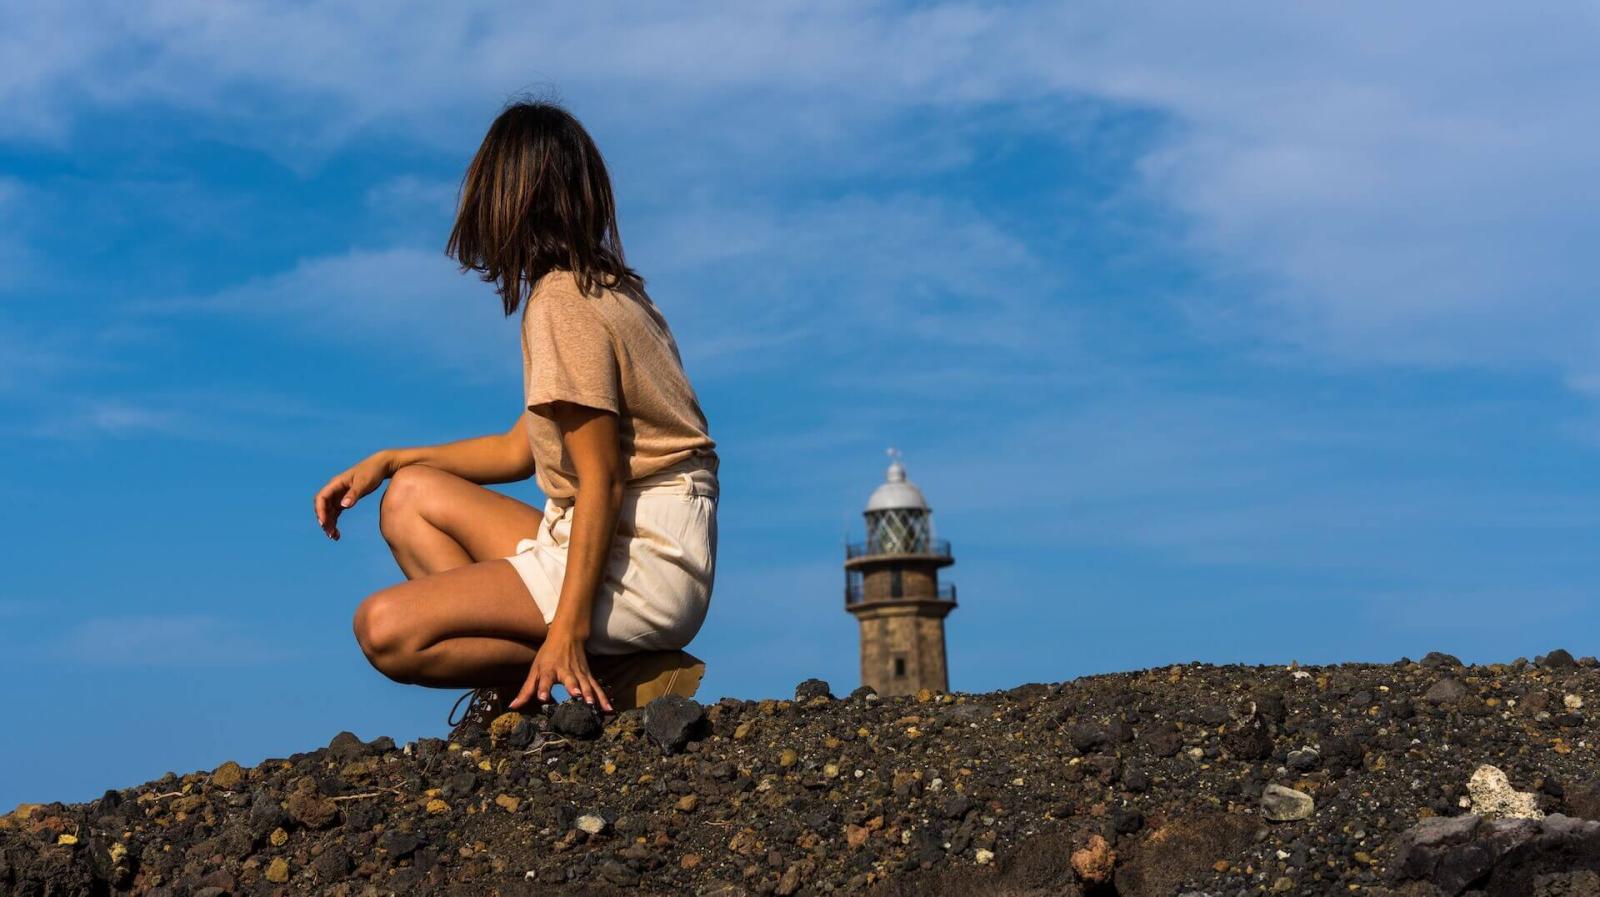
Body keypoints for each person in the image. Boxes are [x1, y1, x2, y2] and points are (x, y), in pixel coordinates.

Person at [314, 100, 719, 736]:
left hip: (642, 558)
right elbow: (521, 448)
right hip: (631, 539)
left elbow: (603, 478)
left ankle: (591, 669)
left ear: (508, 200)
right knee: (410, 495)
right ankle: (575, 668)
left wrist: (567, 630)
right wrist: (389, 461)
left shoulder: (563, 303)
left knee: (384, 629)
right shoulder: (607, 289)